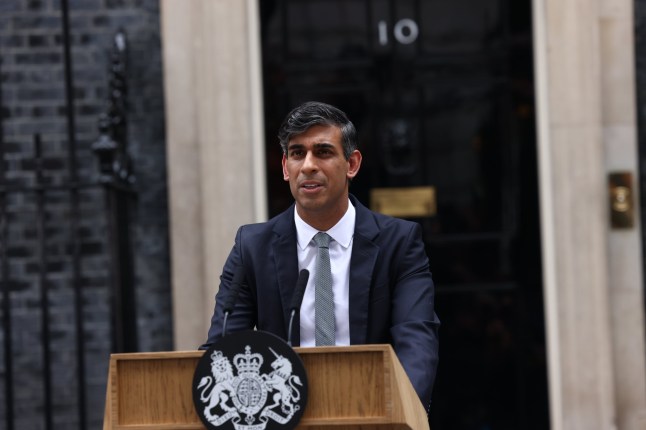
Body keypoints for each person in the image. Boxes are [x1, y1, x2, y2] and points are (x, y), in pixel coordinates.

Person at [201, 101, 440, 409]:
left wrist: (400, 412)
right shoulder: (252, 246)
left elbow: (416, 342)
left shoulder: (399, 243)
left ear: (352, 164)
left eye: (323, 152)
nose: (308, 165)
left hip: (372, 413)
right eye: (298, 153)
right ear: (286, 168)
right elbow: (223, 346)